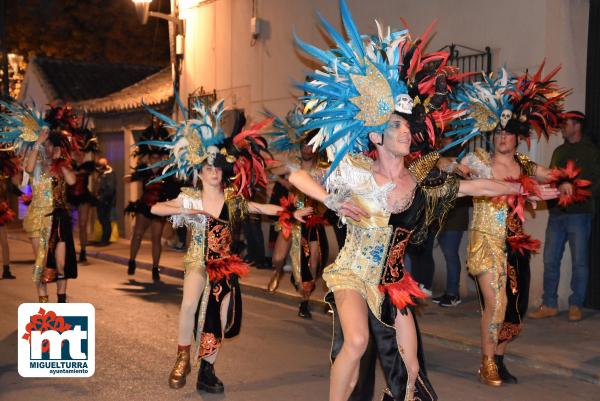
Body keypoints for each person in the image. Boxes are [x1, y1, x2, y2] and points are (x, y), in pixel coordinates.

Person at [290, 3, 558, 399]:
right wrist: (330, 197)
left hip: (393, 282)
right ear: (377, 137)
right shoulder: (358, 172)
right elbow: (296, 175)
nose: (405, 132)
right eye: (395, 125)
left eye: (407, 125)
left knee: (413, 369)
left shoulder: (419, 184)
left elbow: (475, 188)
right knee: (358, 342)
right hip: (353, 274)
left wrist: (525, 189)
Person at [143, 98, 311, 393]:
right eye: (208, 168)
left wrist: (290, 213)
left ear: (223, 172)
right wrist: (186, 211)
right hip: (197, 260)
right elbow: (156, 208)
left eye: (217, 168)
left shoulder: (232, 200)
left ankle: (207, 370)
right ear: (199, 172)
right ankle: (183, 357)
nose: (213, 172)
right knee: (189, 304)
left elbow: (261, 208)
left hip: (224, 266)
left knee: (219, 320)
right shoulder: (189, 197)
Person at [442, 66, 574, 385]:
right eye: (498, 134)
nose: (502, 138)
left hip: (514, 245)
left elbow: (551, 174)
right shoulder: (478, 162)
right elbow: (444, 164)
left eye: (508, 134)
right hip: (485, 243)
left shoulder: (525, 165)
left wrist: (567, 181)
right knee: (496, 302)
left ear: (517, 138)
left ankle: (498, 360)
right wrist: (452, 165)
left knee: (514, 311)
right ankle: (486, 363)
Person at [529, 111, 600, 322]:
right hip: (557, 214)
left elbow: (597, 182)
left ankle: (576, 304)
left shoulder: (592, 152)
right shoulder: (559, 151)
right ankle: (549, 303)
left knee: (579, 261)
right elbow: (551, 177)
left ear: (577, 126)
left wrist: (578, 191)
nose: (562, 127)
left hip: (580, 214)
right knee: (550, 259)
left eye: (566, 123)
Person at [265, 108, 329, 318]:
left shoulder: (323, 170)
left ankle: (305, 302)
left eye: (310, 145)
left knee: (313, 262)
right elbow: (271, 172)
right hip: (291, 218)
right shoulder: (293, 166)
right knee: (278, 256)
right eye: (303, 144)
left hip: (312, 220)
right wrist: (283, 173)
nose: (306, 148)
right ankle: (277, 270)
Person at [23, 127, 77, 303]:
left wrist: (61, 161)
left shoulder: (60, 166)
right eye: (44, 145)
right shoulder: (36, 164)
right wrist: (37, 142)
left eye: (50, 145)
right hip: (38, 217)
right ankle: (44, 306)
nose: (47, 149)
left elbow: (72, 181)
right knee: (42, 262)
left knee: (61, 264)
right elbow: (28, 167)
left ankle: (61, 301)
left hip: (58, 217)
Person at [125, 119, 180, 281]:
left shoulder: (168, 170)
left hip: (160, 207)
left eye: (158, 155)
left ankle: (155, 268)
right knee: (138, 234)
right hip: (144, 206)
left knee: (156, 238)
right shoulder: (144, 168)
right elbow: (133, 177)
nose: (155, 157)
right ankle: (132, 261)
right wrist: (129, 178)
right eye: (153, 155)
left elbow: (174, 188)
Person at [68, 125, 99, 262]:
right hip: (69, 195)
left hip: (84, 195)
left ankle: (83, 251)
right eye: (77, 151)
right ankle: (68, 249)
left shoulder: (88, 165)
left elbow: (91, 173)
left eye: (81, 151)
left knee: (82, 224)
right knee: (67, 223)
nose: (79, 153)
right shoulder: (68, 163)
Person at [0, 149, 20, 279]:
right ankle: (6, 270)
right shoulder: (6, 169)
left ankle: (6, 269)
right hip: (2, 207)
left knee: (4, 240)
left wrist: (23, 195)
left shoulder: (6, 169)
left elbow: (13, 188)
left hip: (1, 208)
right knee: (4, 240)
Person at [96, 157, 116, 245]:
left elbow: (110, 189)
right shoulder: (102, 173)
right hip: (101, 200)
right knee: (102, 219)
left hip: (106, 200)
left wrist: (103, 197)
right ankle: (104, 239)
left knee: (105, 219)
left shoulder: (109, 173)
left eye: (100, 165)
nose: (98, 167)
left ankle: (105, 239)